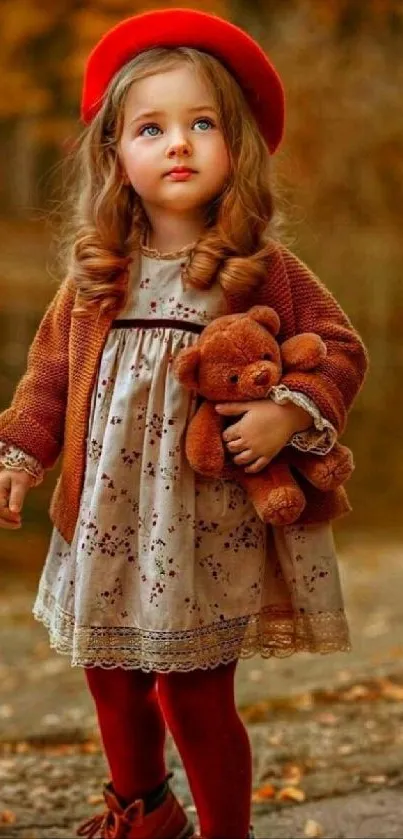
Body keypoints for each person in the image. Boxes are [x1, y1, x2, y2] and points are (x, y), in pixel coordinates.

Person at [0, 8, 369, 839]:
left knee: (193, 690)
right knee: (110, 674)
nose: (178, 143)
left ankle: (223, 830)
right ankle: (145, 809)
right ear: (114, 154)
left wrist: (287, 411)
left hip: (208, 528)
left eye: (201, 123)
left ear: (235, 146)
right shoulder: (98, 279)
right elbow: (49, 377)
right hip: (108, 520)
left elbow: (340, 350)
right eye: (150, 127)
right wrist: (20, 452)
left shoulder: (261, 269)